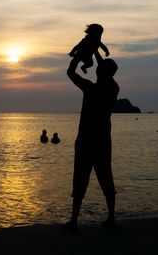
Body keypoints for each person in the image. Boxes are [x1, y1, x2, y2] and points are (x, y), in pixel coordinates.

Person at [62, 50, 119, 232]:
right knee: (106, 178)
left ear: (99, 72)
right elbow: (105, 70)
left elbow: (70, 73)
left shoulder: (90, 88)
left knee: (80, 179)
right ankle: (111, 218)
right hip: (102, 141)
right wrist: (94, 51)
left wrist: (79, 57)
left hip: (86, 141)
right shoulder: (113, 88)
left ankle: (74, 221)